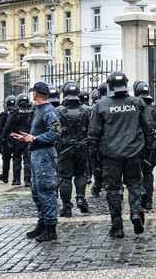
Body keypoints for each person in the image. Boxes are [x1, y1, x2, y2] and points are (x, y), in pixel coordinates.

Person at [87, 71, 155, 238]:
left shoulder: (101, 105)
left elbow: (94, 132)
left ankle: (117, 226)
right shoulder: (137, 102)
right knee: (134, 185)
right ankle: (136, 212)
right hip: (134, 153)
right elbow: (149, 127)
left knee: (114, 189)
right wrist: (148, 150)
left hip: (111, 155)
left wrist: (93, 154)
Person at [13, 82, 62, 242]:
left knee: (46, 190)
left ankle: (50, 227)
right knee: (36, 191)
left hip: (45, 156)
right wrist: (27, 138)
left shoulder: (49, 111)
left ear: (35, 94)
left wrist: (35, 138)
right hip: (36, 153)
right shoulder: (39, 110)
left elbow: (56, 132)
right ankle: (42, 223)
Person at [57, 81, 90, 217]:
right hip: (81, 147)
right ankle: (81, 197)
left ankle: (66, 206)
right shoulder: (86, 110)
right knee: (80, 174)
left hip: (65, 148)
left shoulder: (58, 111)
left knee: (65, 177)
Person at [135, 80, 156, 211]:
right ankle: (148, 200)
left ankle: (142, 194)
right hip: (151, 146)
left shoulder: (134, 106)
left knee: (136, 173)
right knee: (148, 172)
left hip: (136, 146)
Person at [2, 93, 34, 186]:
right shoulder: (31, 110)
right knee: (27, 159)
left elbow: (8, 125)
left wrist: (3, 137)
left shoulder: (15, 111)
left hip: (17, 138)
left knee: (17, 159)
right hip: (28, 137)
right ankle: (27, 180)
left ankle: (16, 180)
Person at [88, 83, 108, 198]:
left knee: (97, 165)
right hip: (111, 141)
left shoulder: (96, 107)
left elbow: (92, 128)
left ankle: (98, 185)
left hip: (99, 141)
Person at [0, 95, 18, 184]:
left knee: (6, 158)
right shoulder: (17, 112)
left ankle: (5, 177)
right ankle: (16, 178)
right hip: (17, 137)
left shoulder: (4, 115)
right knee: (17, 158)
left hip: (6, 138)